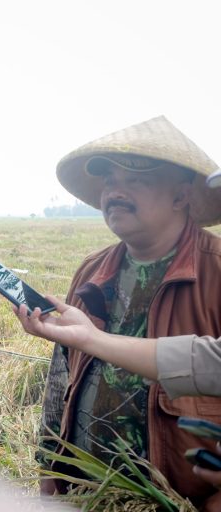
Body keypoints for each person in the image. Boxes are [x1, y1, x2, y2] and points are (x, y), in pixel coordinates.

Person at [35, 116, 221, 509]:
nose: (114, 192)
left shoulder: (217, 272)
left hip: (179, 502)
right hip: (87, 494)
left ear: (181, 195)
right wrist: (49, 467)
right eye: (108, 180)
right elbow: (61, 377)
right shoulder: (92, 271)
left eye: (134, 178)